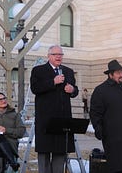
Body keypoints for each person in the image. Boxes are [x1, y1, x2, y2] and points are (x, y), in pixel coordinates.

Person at [30, 45, 79, 173]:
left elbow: (75, 90)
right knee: (44, 154)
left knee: (60, 153)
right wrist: (53, 82)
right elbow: (35, 88)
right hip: (46, 120)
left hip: (62, 120)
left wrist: (72, 90)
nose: (58, 57)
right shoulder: (38, 70)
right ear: (49, 56)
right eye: (55, 54)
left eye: (60, 54)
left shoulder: (68, 71)